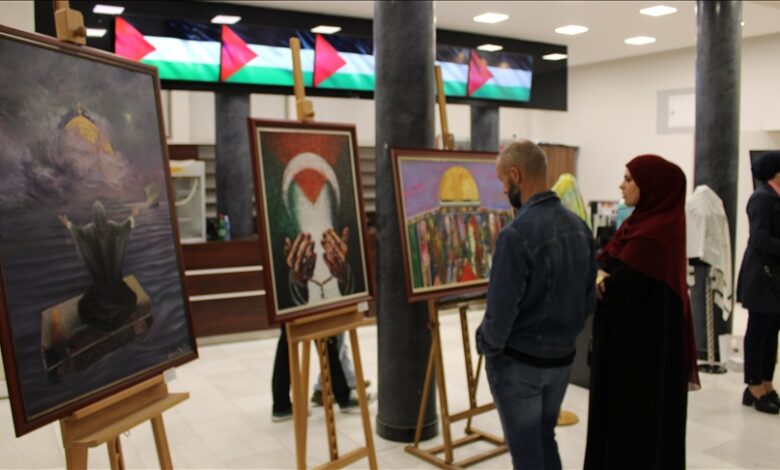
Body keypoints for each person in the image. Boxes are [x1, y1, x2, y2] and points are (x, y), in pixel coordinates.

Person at [476, 141, 597, 469]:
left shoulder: (515, 235)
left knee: (527, 453)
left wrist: (484, 344)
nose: (503, 190)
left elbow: (499, 316)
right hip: (561, 362)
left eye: (503, 181)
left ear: (516, 175)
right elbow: (588, 301)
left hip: (520, 366)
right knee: (545, 438)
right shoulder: (580, 229)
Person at [584, 154, 700, 470]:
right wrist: (601, 275)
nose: (621, 185)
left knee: (634, 429)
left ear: (652, 185)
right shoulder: (639, 223)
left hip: (640, 353)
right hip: (628, 344)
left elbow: (617, 287)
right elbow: (604, 268)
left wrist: (602, 277)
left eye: (628, 179)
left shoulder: (657, 231)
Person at [736, 151, 780, 414]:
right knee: (758, 331)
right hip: (762, 276)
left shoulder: (774, 197)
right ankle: (753, 386)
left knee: (772, 331)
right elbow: (760, 238)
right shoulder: (761, 198)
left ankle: (766, 382)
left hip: (775, 278)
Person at [59, 201, 139, 330]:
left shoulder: (89, 230)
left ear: (94, 216)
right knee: (129, 298)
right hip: (115, 284)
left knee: (86, 307)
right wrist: (133, 215)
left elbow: (78, 233)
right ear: (104, 214)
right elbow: (125, 227)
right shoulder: (113, 227)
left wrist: (67, 224)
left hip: (100, 287)